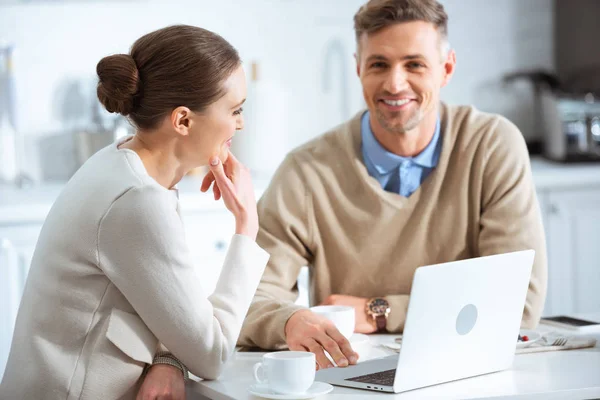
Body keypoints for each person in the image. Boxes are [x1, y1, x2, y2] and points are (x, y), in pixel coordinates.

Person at [140, 0, 548, 394]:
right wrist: (291, 320)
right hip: (353, 383)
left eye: (415, 64)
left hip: (470, 381)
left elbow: (517, 305)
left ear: (446, 68)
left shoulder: (492, 146)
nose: (394, 83)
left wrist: (377, 311)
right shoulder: (308, 170)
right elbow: (248, 300)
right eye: (378, 64)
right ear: (357, 68)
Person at [0, 24, 269, 400]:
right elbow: (213, 353)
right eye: (235, 110)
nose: (241, 123)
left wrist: (168, 358)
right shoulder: (137, 201)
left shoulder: (120, 164)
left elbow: (166, 304)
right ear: (183, 121)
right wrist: (247, 225)